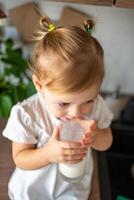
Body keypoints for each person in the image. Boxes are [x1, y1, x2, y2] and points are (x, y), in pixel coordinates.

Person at [2, 16, 113, 200]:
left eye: (88, 100)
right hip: (33, 190)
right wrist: (48, 154)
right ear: (39, 85)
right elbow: (20, 158)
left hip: (73, 187)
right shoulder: (28, 114)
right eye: (64, 103)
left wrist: (96, 137)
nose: (76, 113)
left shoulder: (96, 105)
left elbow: (107, 141)